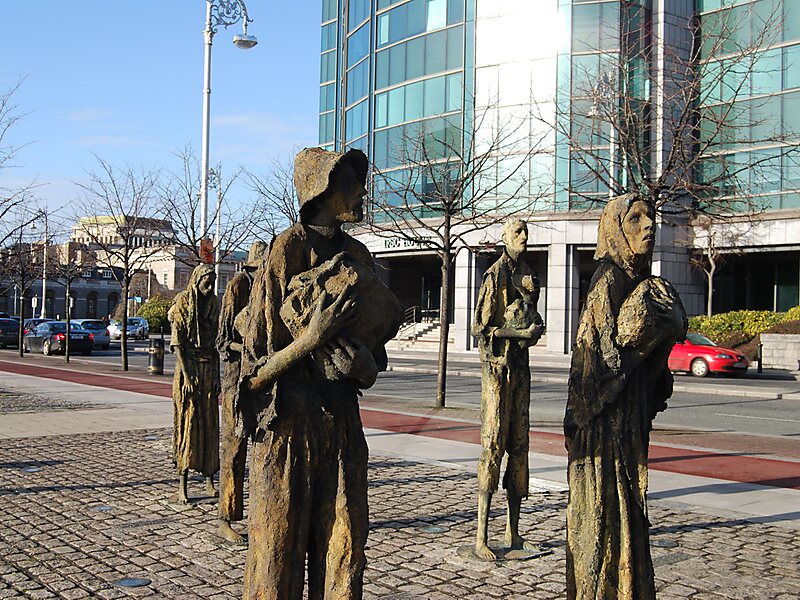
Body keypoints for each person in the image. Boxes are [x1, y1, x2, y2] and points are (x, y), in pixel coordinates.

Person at [239, 147, 401, 599]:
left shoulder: (358, 255)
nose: (363, 190)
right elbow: (252, 377)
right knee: (277, 561)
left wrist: (364, 367)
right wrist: (310, 340)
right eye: (351, 182)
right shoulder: (286, 250)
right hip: (288, 432)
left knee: (344, 555)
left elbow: (372, 360)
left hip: (341, 431)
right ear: (322, 191)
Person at [564, 194, 686, 600]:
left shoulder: (641, 283)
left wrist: (661, 344)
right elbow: (594, 372)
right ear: (616, 229)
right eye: (635, 218)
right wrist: (646, 344)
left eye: (650, 217)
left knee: (627, 516)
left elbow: (651, 378)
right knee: (601, 522)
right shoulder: (608, 283)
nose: (648, 225)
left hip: (628, 424)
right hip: (602, 434)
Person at [471, 218, 545, 561]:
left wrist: (535, 329)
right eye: (517, 232)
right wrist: (519, 335)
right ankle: (481, 537)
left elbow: (532, 317)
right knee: (493, 445)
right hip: (497, 372)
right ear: (505, 237)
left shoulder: (527, 273)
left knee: (519, 445)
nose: (524, 237)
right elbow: (480, 328)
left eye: (526, 231)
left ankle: (513, 531)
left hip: (520, 370)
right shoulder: (494, 275)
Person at [215, 240, 268, 543]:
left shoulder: (268, 288)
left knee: (262, 448)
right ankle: (226, 517)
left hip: (260, 380)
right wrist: (248, 348)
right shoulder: (238, 286)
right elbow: (223, 342)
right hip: (236, 380)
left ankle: (260, 514)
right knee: (233, 449)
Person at [168, 263, 220, 504]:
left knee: (209, 425)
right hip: (188, 370)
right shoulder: (184, 302)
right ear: (196, 281)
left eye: (213, 282)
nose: (210, 287)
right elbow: (177, 342)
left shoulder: (214, 304)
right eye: (206, 282)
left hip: (208, 370)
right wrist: (187, 376)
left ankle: (210, 479)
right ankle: (183, 484)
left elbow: (217, 345)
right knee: (188, 424)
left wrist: (217, 376)